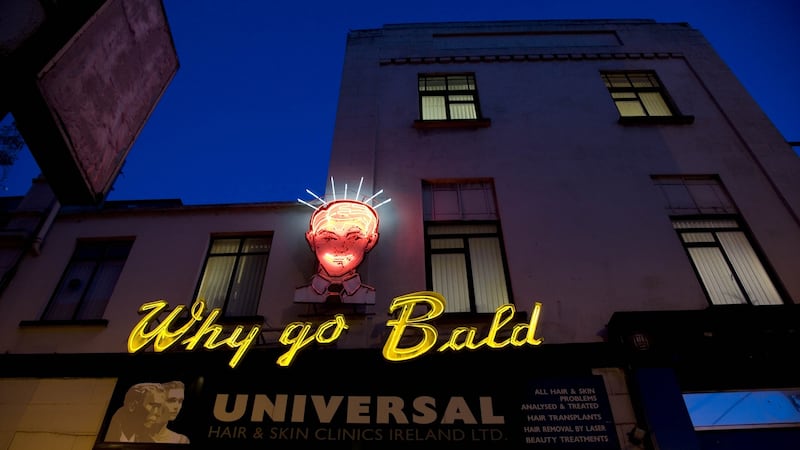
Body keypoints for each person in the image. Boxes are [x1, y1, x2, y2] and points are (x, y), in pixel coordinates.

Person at [294, 199, 380, 304]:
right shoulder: (302, 294)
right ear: (311, 239)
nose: (340, 248)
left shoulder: (368, 295)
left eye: (354, 237)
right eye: (328, 237)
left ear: (371, 241)